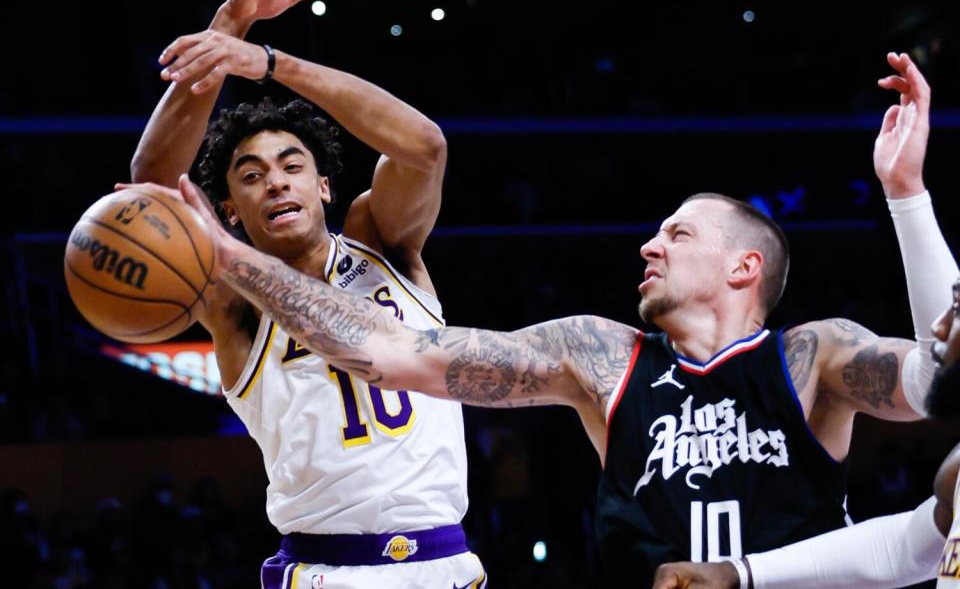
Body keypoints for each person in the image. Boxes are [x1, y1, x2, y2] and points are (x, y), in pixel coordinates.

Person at [169, 46, 957, 586]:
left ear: (743, 266)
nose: (648, 246)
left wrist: (906, 193)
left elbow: (937, 382)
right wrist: (236, 260)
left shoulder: (812, 357)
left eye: (676, 234)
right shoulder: (599, 355)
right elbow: (394, 351)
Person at [128, 0, 486, 588]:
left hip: (447, 565)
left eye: (292, 166)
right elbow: (151, 190)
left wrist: (267, 62)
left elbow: (425, 145)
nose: (276, 182)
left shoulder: (386, 245)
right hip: (327, 570)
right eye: (252, 175)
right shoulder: (234, 296)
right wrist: (230, 23)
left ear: (324, 187)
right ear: (230, 212)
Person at [650, 278, 960, 589]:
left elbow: (925, 380)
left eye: (957, 310)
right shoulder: (956, 475)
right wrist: (738, 572)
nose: (939, 327)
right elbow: (899, 550)